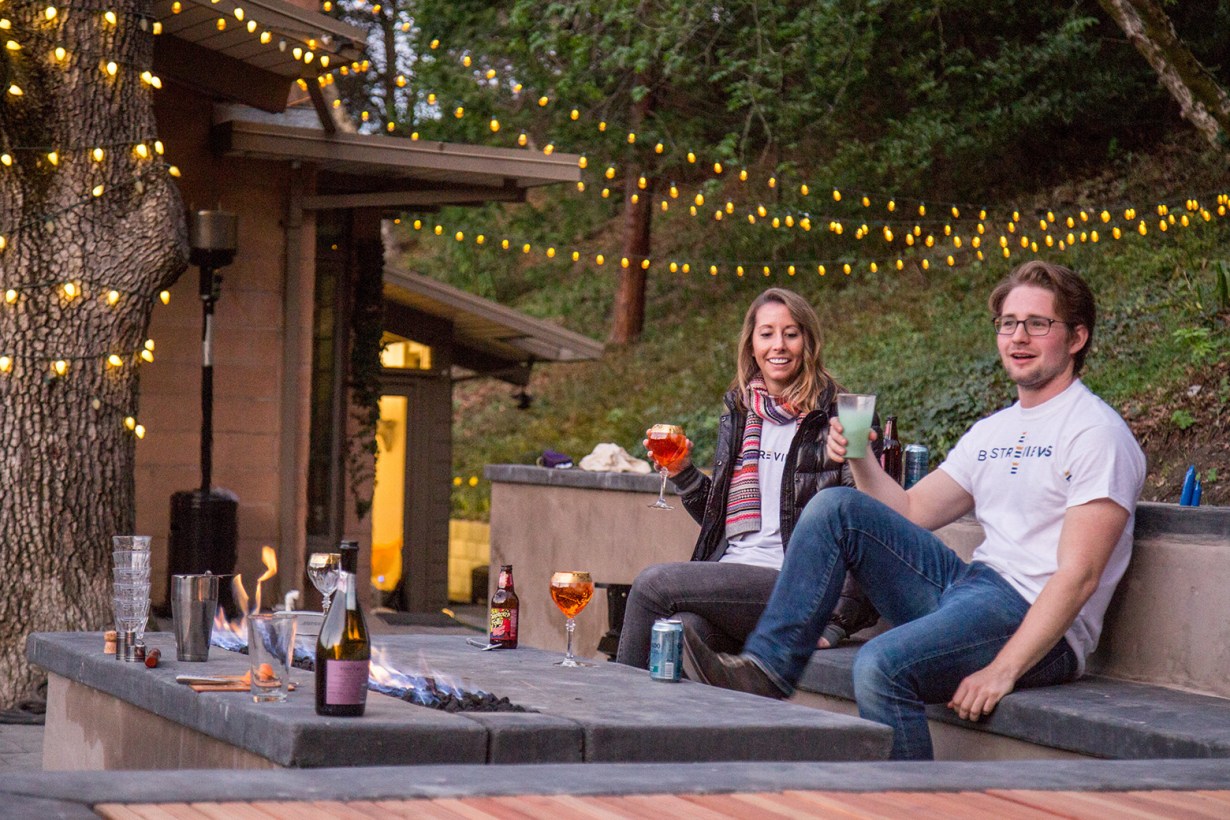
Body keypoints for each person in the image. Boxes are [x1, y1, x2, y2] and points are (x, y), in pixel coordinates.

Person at [685, 260, 1146, 761]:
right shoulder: (994, 430)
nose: (1019, 337)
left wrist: (1003, 669)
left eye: (1038, 324)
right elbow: (908, 510)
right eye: (1008, 323)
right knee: (837, 506)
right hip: (970, 589)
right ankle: (770, 667)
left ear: (1076, 338)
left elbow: (1079, 576)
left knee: (880, 664)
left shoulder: (1095, 433)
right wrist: (858, 456)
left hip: (1032, 618)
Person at [615, 287, 881, 671]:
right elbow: (723, 520)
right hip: (736, 575)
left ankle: (617, 714)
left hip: (796, 583)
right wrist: (681, 472)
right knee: (683, 632)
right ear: (751, 344)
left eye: (791, 333)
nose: (779, 345)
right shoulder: (742, 414)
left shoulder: (842, 417)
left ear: (808, 341)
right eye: (767, 333)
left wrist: (837, 622)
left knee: (653, 585)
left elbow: (868, 527)